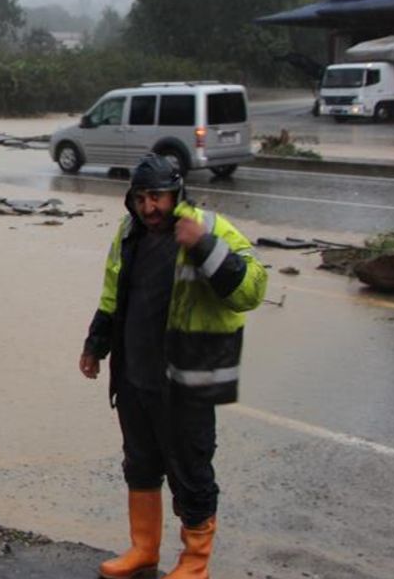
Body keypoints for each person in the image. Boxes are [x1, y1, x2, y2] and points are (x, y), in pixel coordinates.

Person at [80, 154, 266, 579]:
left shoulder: (209, 227)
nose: (150, 208)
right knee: (140, 463)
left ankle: (195, 564)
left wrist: (204, 245)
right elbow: (113, 294)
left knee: (191, 471)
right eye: (142, 198)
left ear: (176, 193)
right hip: (134, 375)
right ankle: (143, 549)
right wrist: (95, 345)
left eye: (157, 197)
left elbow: (252, 291)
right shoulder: (129, 232)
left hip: (188, 378)